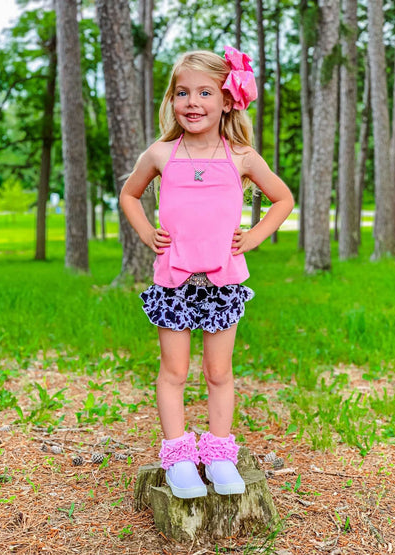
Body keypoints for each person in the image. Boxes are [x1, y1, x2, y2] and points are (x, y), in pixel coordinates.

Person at [120, 46, 294, 499]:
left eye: (204, 92)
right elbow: (129, 195)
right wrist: (146, 232)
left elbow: (283, 199)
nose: (192, 102)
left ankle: (218, 455)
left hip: (223, 283)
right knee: (174, 370)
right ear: (172, 100)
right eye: (182, 93)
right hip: (174, 283)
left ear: (227, 100)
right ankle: (179, 457)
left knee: (219, 372)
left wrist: (253, 237)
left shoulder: (242, 156)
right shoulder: (161, 154)